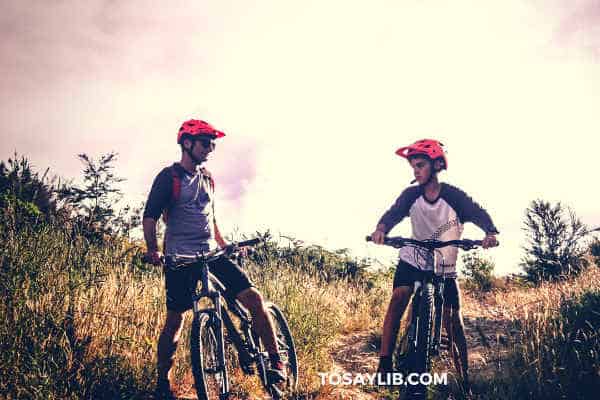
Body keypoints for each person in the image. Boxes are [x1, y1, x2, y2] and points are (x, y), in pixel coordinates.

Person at [142, 119, 286, 399]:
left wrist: (224, 244)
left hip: (213, 255)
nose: (211, 148)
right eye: (206, 142)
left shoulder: (207, 177)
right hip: (180, 260)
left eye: (213, 142)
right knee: (175, 321)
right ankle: (163, 382)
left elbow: (210, 218)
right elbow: (150, 216)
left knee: (254, 300)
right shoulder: (168, 178)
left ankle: (274, 360)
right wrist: (152, 248)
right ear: (187, 143)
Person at [370, 139, 499, 391]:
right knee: (399, 297)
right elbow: (393, 214)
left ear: (437, 165)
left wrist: (490, 233)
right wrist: (381, 230)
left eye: (420, 165)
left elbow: (478, 213)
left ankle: (463, 379)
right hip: (414, 256)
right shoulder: (411, 195)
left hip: (444, 262)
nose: (416, 171)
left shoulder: (454, 196)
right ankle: (385, 364)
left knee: (453, 320)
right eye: (413, 167)